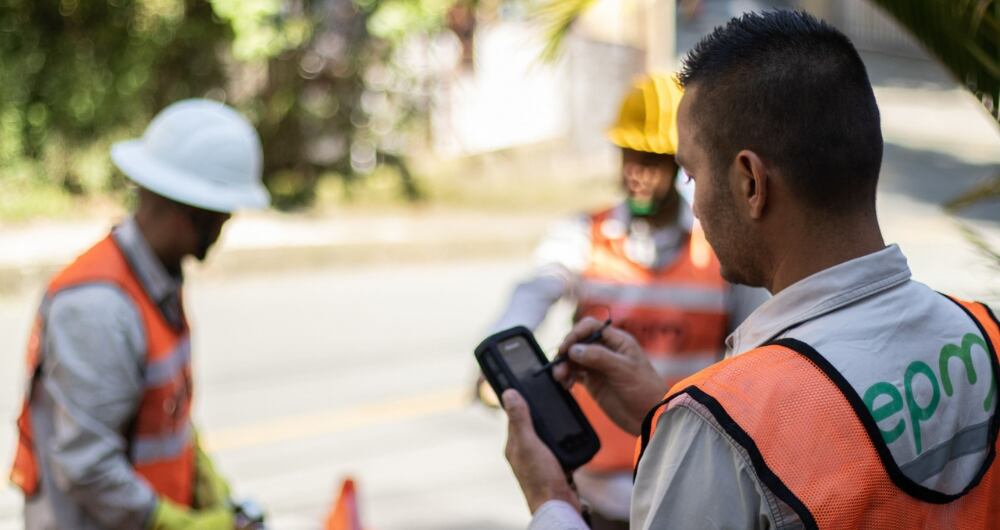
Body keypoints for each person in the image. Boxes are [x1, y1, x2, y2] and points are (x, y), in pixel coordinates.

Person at [501, 10, 999, 529]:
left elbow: (764, 439)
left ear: (750, 183)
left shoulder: (724, 423)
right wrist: (667, 413)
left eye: (692, 175)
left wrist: (551, 501)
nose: (693, 205)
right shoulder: (984, 335)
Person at [486, 73, 766, 528]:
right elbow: (533, 291)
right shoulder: (583, 236)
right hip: (597, 498)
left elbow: (759, 362)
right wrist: (495, 355)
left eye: (651, 158)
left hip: (685, 490)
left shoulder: (719, 252)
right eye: (628, 154)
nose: (635, 171)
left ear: (680, 163)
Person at [9, 99, 271, 529]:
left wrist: (207, 483)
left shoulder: (157, 282)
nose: (225, 228)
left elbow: (165, 410)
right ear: (192, 213)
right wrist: (175, 523)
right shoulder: (99, 310)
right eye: (222, 217)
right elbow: (86, 467)